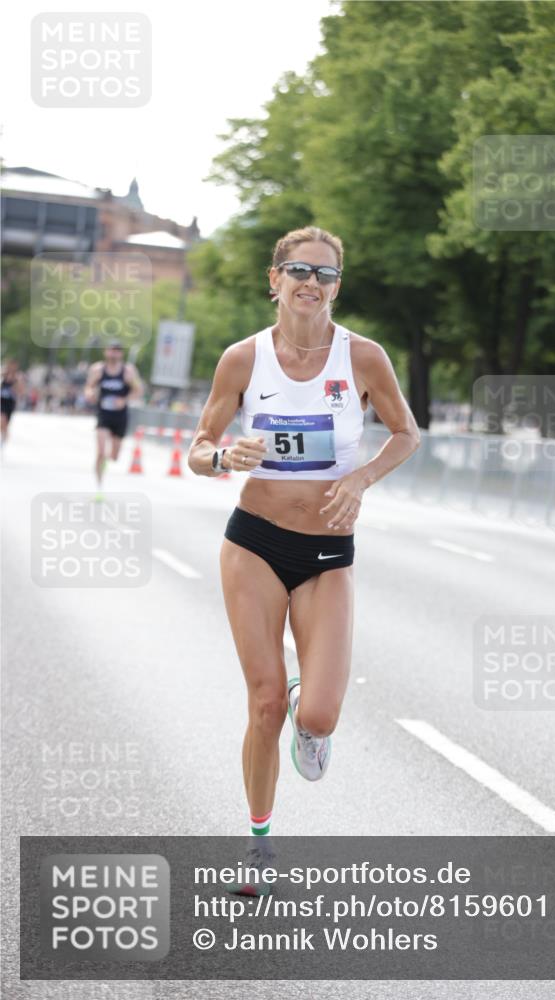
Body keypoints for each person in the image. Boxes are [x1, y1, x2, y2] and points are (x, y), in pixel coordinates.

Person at [188, 226, 421, 893]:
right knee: (262, 703)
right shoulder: (241, 359)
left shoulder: (363, 358)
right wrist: (221, 458)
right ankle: (259, 843)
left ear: (336, 286)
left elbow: (406, 433)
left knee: (316, 717)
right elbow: (199, 446)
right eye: (297, 270)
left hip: (326, 554)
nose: (309, 283)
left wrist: (361, 478)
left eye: (323, 274)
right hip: (254, 541)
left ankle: (307, 713)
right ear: (274, 279)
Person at [83, 341, 143, 497]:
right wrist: (89, 393)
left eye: (117, 351)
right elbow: (89, 386)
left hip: (120, 416)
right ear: (105, 352)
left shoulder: (128, 371)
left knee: (114, 456)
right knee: (101, 451)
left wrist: (124, 399)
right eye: (111, 350)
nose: (114, 354)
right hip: (103, 414)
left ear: (121, 354)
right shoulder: (98, 369)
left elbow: (138, 390)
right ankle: (98, 486)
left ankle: (105, 463)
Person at [0, 358, 27, 445]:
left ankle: (4, 438)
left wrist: (16, 386)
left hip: (10, 402)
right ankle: (3, 437)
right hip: (2, 401)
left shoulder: (18, 377)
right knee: (2, 419)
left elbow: (21, 391)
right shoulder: (3, 375)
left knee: (6, 423)